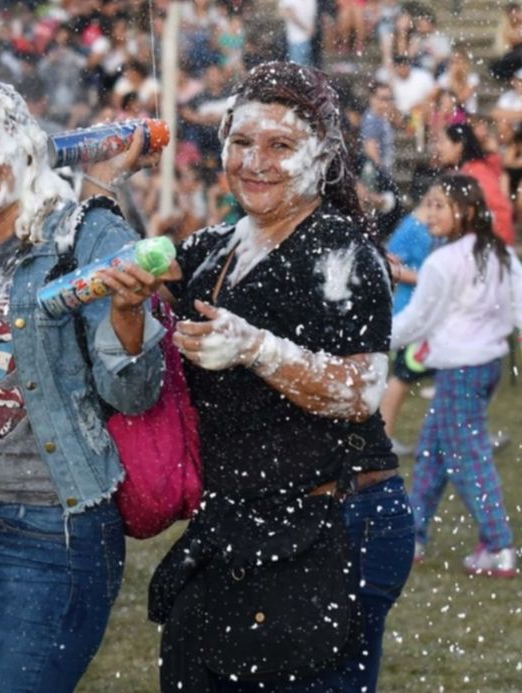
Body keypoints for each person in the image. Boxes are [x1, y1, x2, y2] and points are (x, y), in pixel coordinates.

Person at [0, 75, 166, 693]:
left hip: (51, 532)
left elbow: (135, 393)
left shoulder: (88, 237)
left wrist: (127, 313)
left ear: (24, 143)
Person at [155, 61, 412, 691]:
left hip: (337, 521)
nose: (254, 161)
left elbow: (360, 391)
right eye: (241, 142)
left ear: (321, 156)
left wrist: (257, 348)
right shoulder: (215, 246)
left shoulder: (341, 251)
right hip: (242, 520)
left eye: (279, 145)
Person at [391, 173, 521, 575]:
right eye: (427, 203)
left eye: (438, 205)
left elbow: (416, 321)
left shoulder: (444, 262)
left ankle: (499, 546)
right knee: (432, 454)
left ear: (463, 211)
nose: (428, 214)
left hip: (460, 371)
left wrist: (372, 339)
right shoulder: (499, 253)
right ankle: (410, 537)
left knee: (467, 457)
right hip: (485, 368)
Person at [380, 201, 436, 454]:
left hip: (431, 318)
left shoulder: (437, 230)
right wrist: (425, 279)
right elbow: (389, 265)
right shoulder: (411, 228)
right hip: (410, 317)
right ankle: (384, 438)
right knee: (402, 377)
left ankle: (450, 438)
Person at [434, 123, 516, 245]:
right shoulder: (468, 171)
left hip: (491, 245)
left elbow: (501, 212)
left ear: (459, 146)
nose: (438, 148)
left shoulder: (475, 173)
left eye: (443, 142)